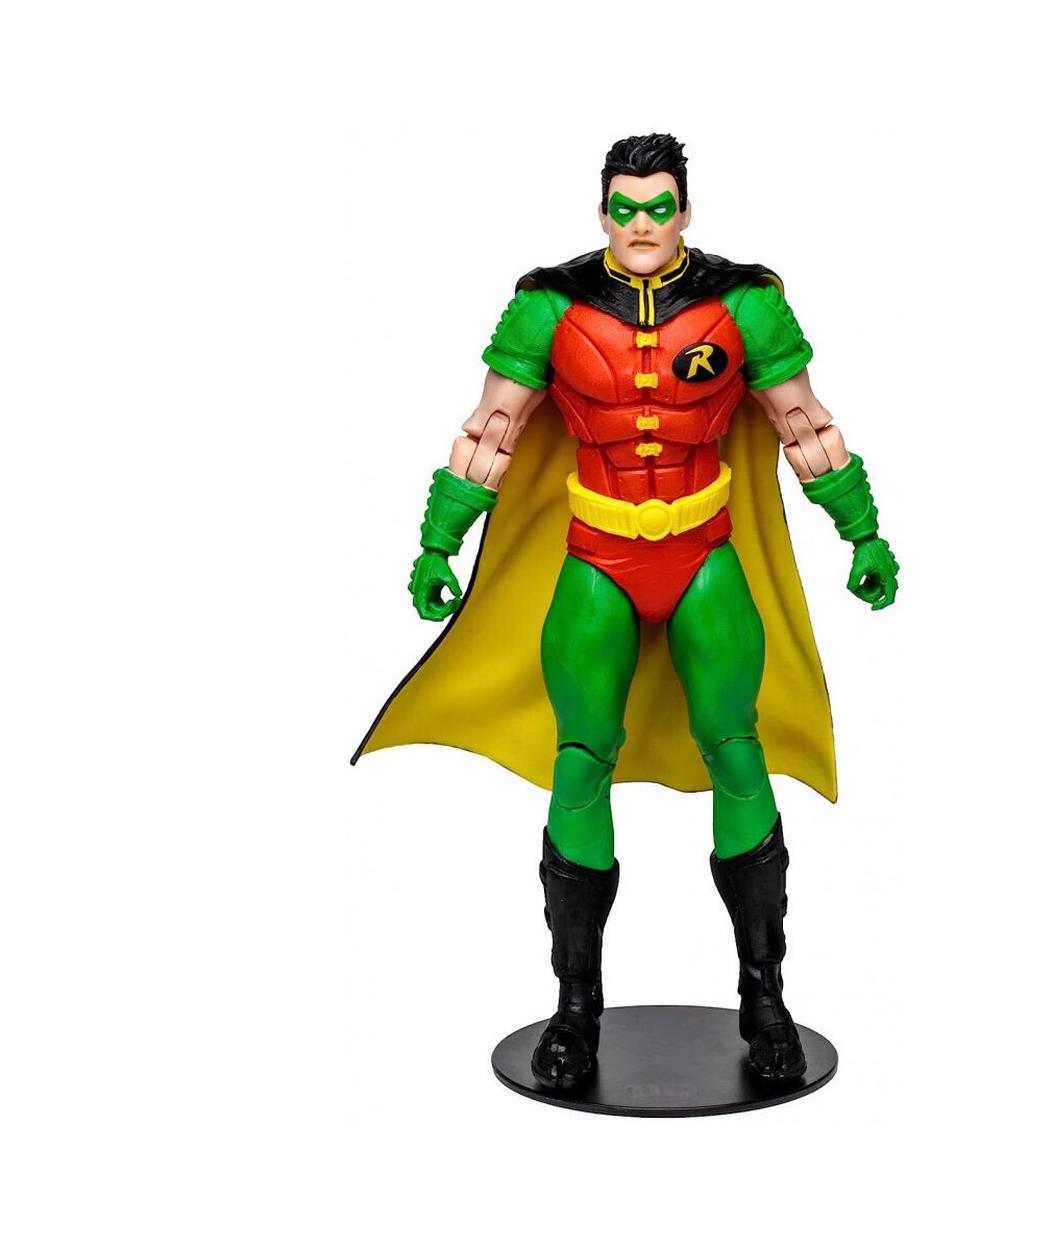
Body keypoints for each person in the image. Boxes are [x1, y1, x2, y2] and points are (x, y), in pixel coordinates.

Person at [355, 133, 898, 1091]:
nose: (641, 225)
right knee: (579, 761)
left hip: (703, 553)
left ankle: (765, 1001)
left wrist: (862, 531)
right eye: (623, 207)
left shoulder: (744, 302)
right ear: (601, 211)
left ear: (685, 210)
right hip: (597, 556)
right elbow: (492, 429)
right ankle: (576, 1011)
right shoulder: (550, 305)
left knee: (737, 750)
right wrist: (438, 539)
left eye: (658, 207)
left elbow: (803, 421)